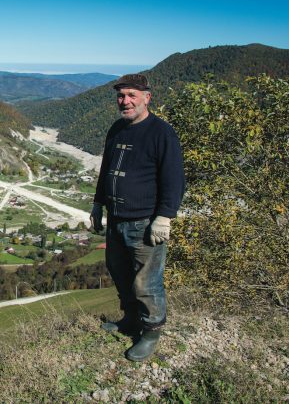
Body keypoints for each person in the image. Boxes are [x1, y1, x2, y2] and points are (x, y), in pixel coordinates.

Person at [90, 73, 184, 362]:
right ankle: (130, 320)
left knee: (146, 282)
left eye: (132, 95)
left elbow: (174, 180)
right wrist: (97, 204)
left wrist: (164, 218)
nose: (125, 101)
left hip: (144, 223)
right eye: (121, 96)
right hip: (116, 220)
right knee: (120, 272)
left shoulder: (161, 132)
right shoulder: (117, 129)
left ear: (147, 97)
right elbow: (106, 169)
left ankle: (151, 332)